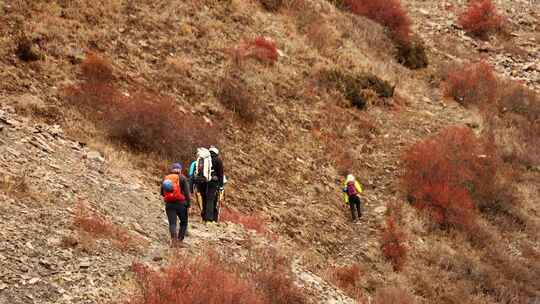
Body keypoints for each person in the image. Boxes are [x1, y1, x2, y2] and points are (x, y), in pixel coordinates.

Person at [160, 163, 191, 247]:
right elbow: (187, 194)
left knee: (172, 223)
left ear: (172, 169)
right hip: (181, 204)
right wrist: (188, 204)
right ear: (180, 170)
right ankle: (180, 241)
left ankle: (174, 241)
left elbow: (162, 193)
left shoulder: (166, 178)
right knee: (184, 222)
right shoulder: (183, 178)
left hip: (169, 204)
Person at [205, 146, 224, 222]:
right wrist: (221, 185)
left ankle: (204, 216)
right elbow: (220, 174)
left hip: (203, 181)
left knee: (205, 198)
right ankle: (210, 218)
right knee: (211, 199)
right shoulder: (217, 159)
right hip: (213, 182)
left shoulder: (206, 158)